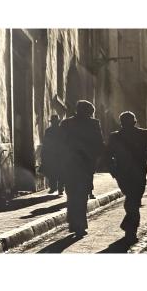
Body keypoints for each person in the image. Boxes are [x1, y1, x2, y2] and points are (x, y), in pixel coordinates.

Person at [106, 111, 147, 243]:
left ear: (121, 123)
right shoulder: (144, 134)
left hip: (122, 172)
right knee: (134, 200)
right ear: (135, 122)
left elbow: (107, 156)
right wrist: (143, 155)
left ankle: (129, 227)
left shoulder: (115, 137)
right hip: (138, 171)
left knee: (132, 199)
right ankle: (130, 230)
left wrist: (113, 170)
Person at [60, 100, 104, 237]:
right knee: (82, 195)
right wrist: (97, 159)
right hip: (85, 165)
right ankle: (79, 224)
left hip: (69, 165)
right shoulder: (93, 123)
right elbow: (99, 143)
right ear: (89, 112)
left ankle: (74, 223)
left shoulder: (66, 123)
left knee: (72, 195)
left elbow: (59, 144)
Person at [40, 115, 64, 195]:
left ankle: (60, 188)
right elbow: (45, 142)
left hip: (59, 154)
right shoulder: (48, 131)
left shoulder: (62, 130)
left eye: (55, 122)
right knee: (52, 171)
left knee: (59, 172)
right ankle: (54, 187)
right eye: (53, 122)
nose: (54, 123)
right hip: (52, 154)